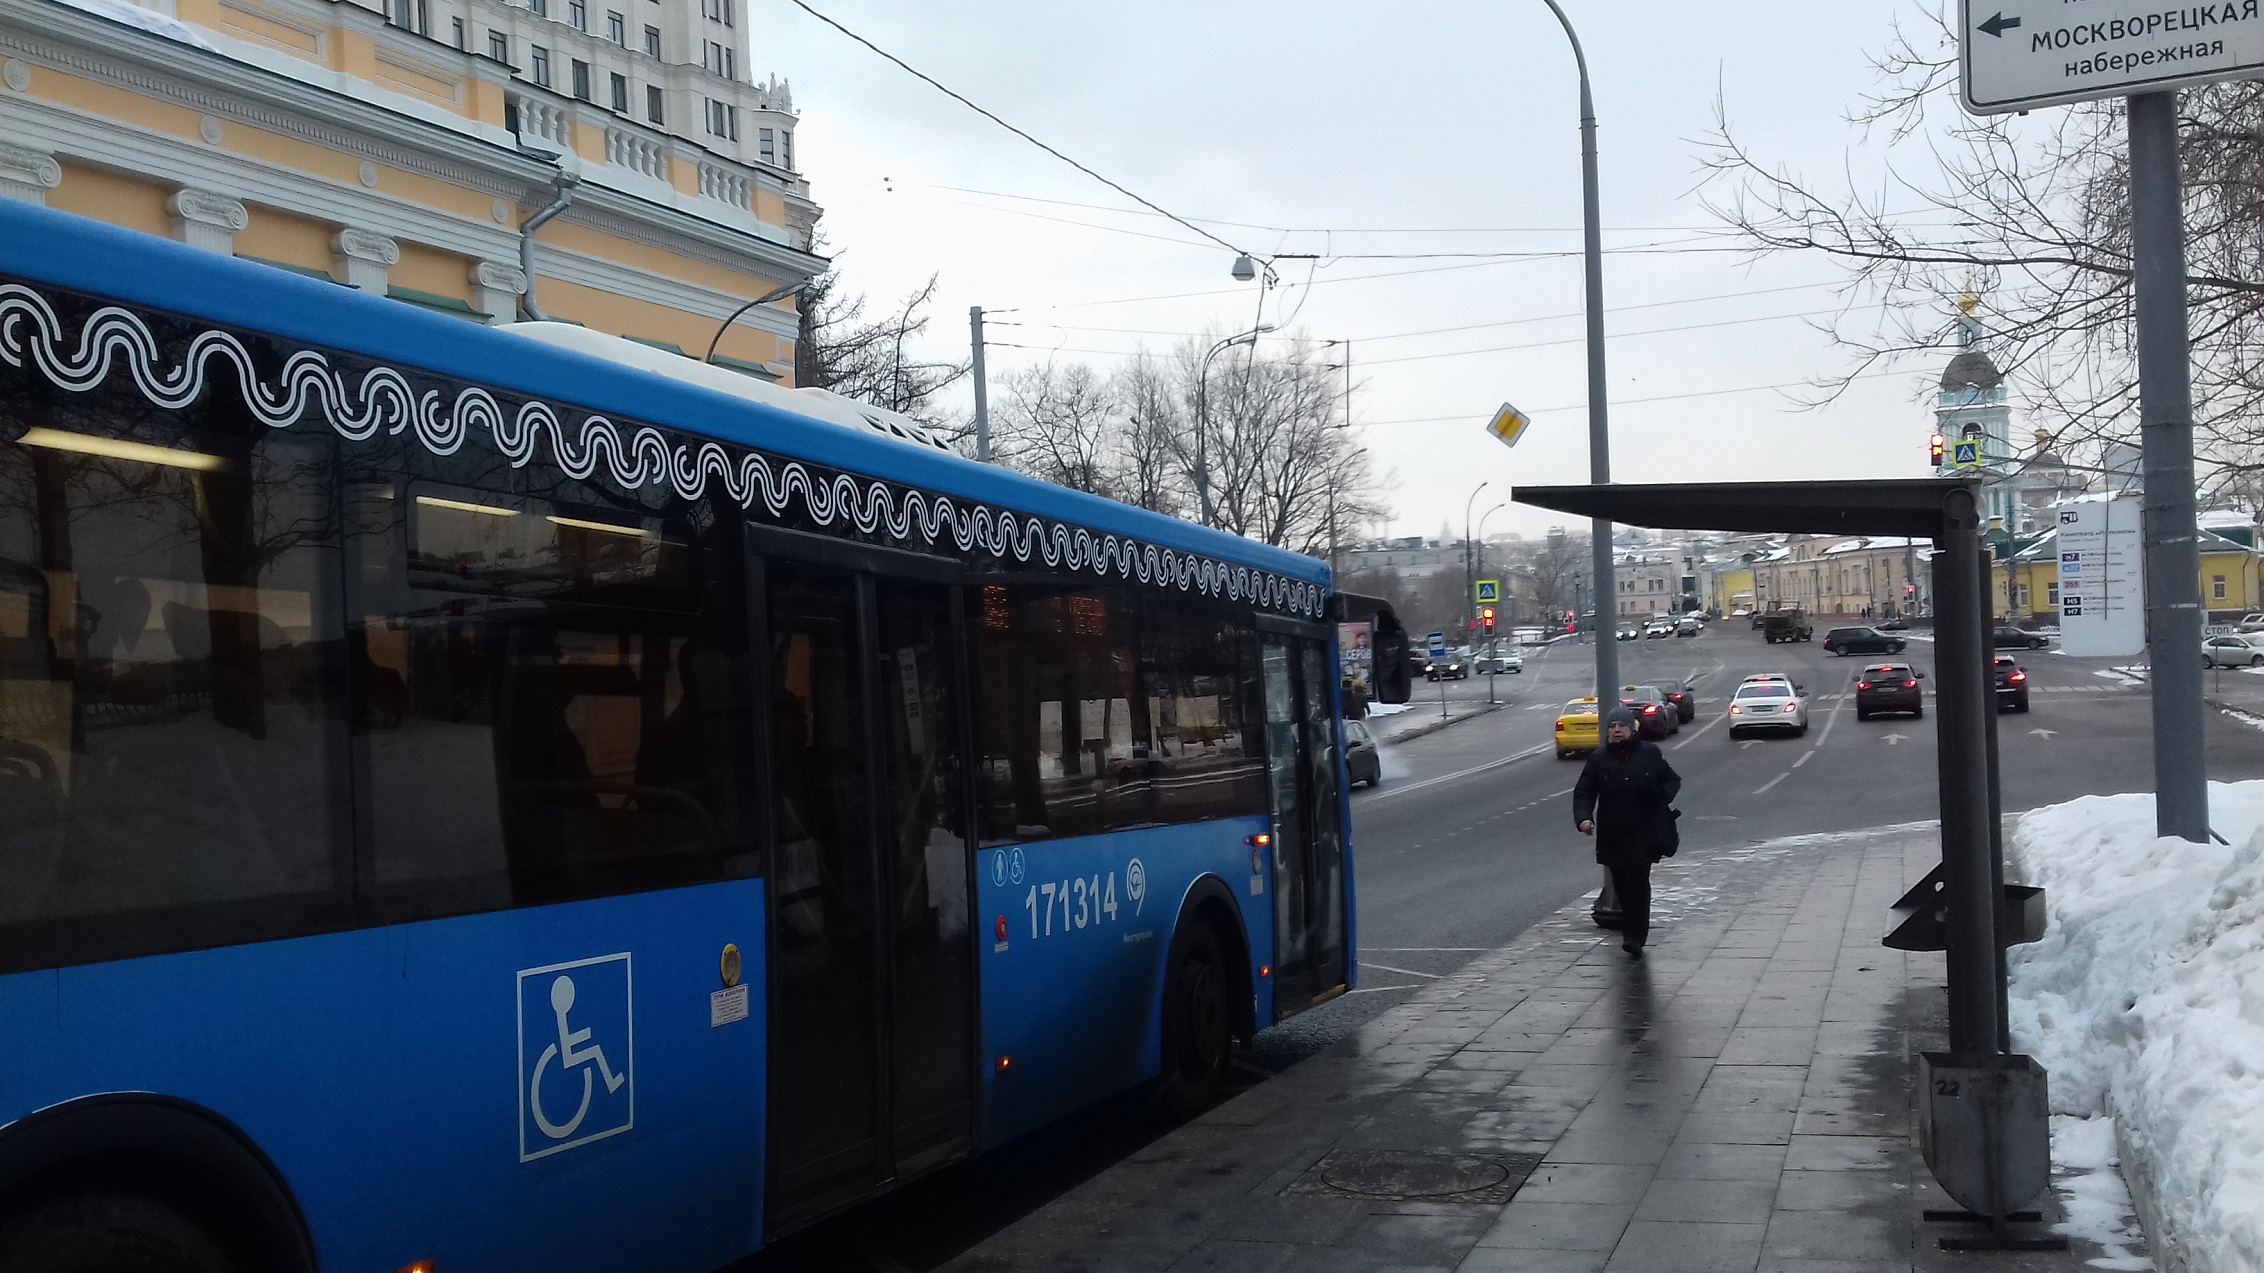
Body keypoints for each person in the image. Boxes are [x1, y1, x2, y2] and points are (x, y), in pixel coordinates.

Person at [1573, 706, 1681, 956]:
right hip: (1613, 833)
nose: (1616, 731)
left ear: (1632, 729)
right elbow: (1585, 791)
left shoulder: (1649, 754)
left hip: (1644, 832)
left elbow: (1671, 780)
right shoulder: (1599, 759)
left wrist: (1661, 797)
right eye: (1611, 727)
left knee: (1639, 883)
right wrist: (1584, 818)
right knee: (1621, 883)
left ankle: (1635, 936)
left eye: (1621, 726)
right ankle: (1631, 929)